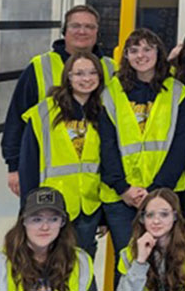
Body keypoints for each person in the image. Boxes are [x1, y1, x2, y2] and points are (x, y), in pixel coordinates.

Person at [97, 29, 185, 257]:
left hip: (166, 196)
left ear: (159, 53)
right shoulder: (110, 93)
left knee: (165, 263)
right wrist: (123, 188)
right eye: (134, 50)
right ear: (126, 56)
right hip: (121, 198)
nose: (141, 55)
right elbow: (105, 145)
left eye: (148, 49)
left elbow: (180, 147)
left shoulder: (177, 92)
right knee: (128, 263)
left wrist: (155, 192)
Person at [3, 5, 116, 197]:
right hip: (47, 178)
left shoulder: (111, 68)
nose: (82, 31)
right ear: (65, 31)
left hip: (96, 182)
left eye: (89, 27)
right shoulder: (40, 66)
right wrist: (14, 166)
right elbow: (16, 118)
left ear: (97, 32)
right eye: (76, 26)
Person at [18, 52, 117, 254]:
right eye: (79, 73)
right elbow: (28, 165)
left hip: (89, 208)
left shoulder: (103, 112)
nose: (86, 78)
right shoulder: (44, 113)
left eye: (92, 73)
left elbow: (108, 163)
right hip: (51, 207)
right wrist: (26, 212)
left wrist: (104, 216)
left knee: (83, 265)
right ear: (68, 77)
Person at [0, 187, 97, 291]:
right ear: (23, 222)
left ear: (62, 223)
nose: (45, 227)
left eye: (54, 219)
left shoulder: (80, 263)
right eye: (37, 219)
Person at [117, 190, 185, 291]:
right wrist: (140, 262)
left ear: (175, 216)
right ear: (142, 219)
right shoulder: (130, 252)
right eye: (150, 215)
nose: (156, 221)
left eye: (164, 214)